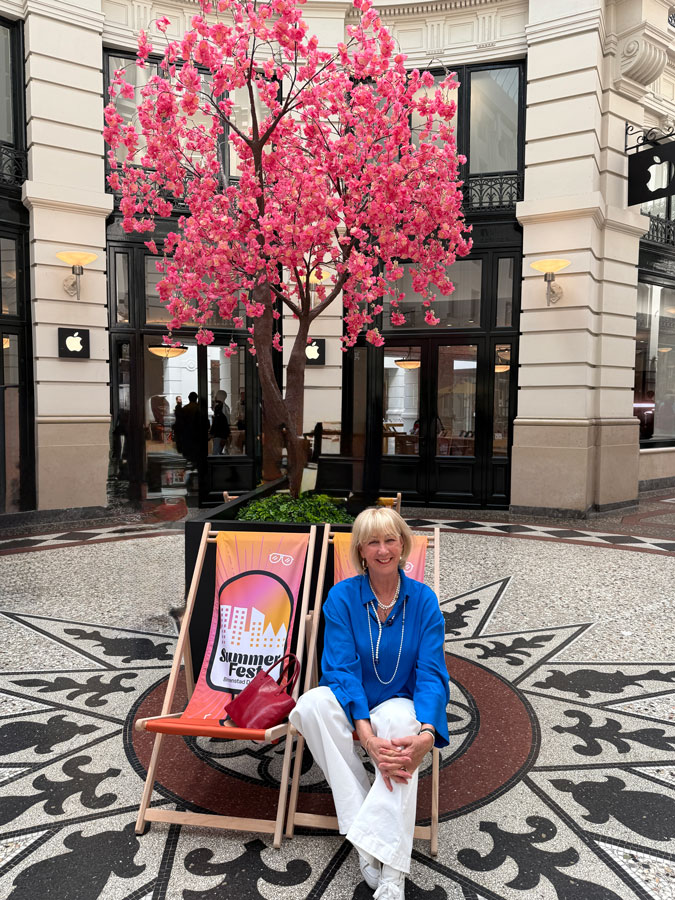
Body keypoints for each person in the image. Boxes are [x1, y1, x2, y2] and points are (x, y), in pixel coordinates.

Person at [290, 508, 449, 900]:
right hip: (352, 701)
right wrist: (365, 734)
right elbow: (340, 669)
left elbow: (432, 674)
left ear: (403, 545)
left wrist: (428, 734)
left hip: (399, 700)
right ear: (360, 550)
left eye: (390, 540)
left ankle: (389, 870)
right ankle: (373, 833)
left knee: (402, 726)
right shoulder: (342, 597)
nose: (383, 550)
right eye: (373, 542)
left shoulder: (424, 601)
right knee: (309, 706)